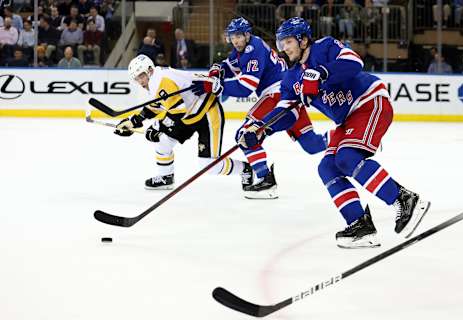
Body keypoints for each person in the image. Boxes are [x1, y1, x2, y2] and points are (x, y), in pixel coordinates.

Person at [239, 17, 431, 248]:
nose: (284, 48)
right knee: (327, 167)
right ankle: (360, 225)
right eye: (281, 43)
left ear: (303, 40)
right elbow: (286, 112)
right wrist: (262, 129)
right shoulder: (291, 78)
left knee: (347, 158)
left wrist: (320, 73)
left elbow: (354, 63)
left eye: (288, 41)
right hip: (348, 118)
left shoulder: (325, 47)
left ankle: (404, 199)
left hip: (370, 101)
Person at [201, 17, 325, 199]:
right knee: (311, 144)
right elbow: (228, 66)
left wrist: (219, 87)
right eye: (232, 36)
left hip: (276, 96)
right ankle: (344, 138)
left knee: (245, 134)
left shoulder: (254, 48)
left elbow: (245, 87)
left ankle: (266, 181)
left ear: (247, 35)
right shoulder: (243, 50)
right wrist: (217, 70)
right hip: (290, 95)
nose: (235, 40)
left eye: (238, 36)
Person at [114, 55, 251, 190]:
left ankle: (245, 169)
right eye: (137, 78)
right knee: (162, 141)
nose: (140, 81)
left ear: (149, 70)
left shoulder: (162, 81)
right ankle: (165, 177)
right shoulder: (155, 79)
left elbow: (178, 111)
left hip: (207, 113)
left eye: (141, 76)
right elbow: (156, 105)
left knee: (208, 165)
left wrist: (158, 126)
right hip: (188, 114)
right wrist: (133, 121)